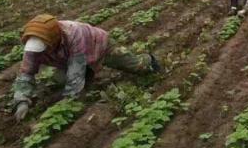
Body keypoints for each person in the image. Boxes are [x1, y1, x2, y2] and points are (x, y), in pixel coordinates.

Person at [12, 14, 161, 121]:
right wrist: (22, 101)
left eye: (44, 48)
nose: (41, 52)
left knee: (136, 66)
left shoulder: (73, 33)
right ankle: (89, 76)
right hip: (70, 60)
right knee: (59, 78)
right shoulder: (32, 46)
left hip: (100, 47)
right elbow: (26, 73)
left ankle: (148, 61)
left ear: (53, 40)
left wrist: (70, 103)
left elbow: (76, 71)